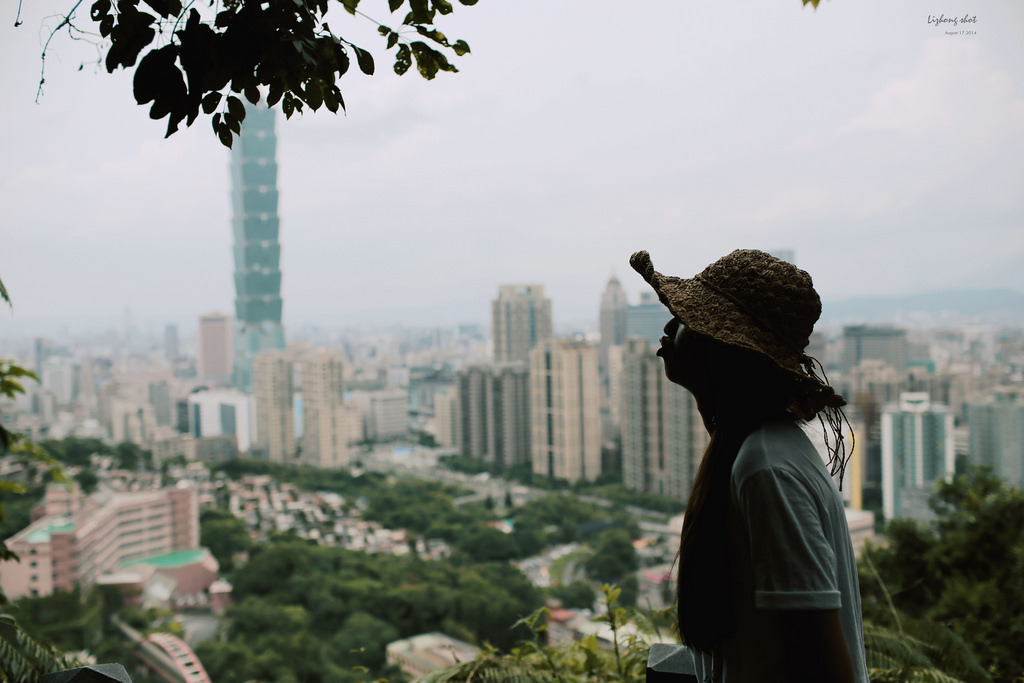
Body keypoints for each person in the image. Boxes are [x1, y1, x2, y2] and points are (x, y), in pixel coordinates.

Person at [629, 249, 868, 683]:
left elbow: (826, 666)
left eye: (686, 318)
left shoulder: (766, 466)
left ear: (721, 348)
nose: (668, 327)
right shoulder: (760, 449)